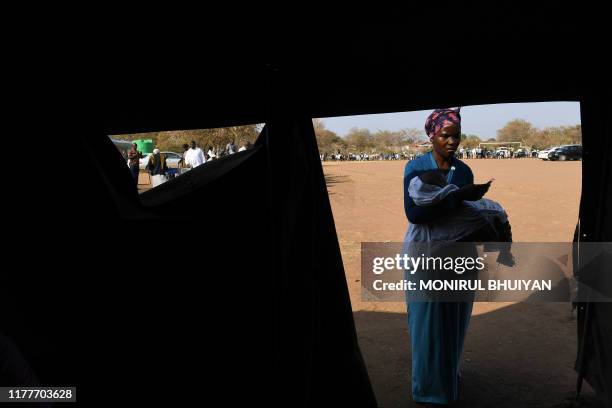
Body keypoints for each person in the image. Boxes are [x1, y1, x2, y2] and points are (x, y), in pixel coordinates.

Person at [403, 108, 492, 405]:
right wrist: (457, 197)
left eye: (457, 136)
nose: (452, 142)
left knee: (454, 317)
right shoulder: (415, 168)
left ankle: (448, 373)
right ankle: (428, 389)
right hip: (424, 252)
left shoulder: (463, 171)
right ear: (432, 135)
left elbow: (465, 212)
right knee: (427, 321)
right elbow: (415, 214)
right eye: (445, 136)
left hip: (458, 251)